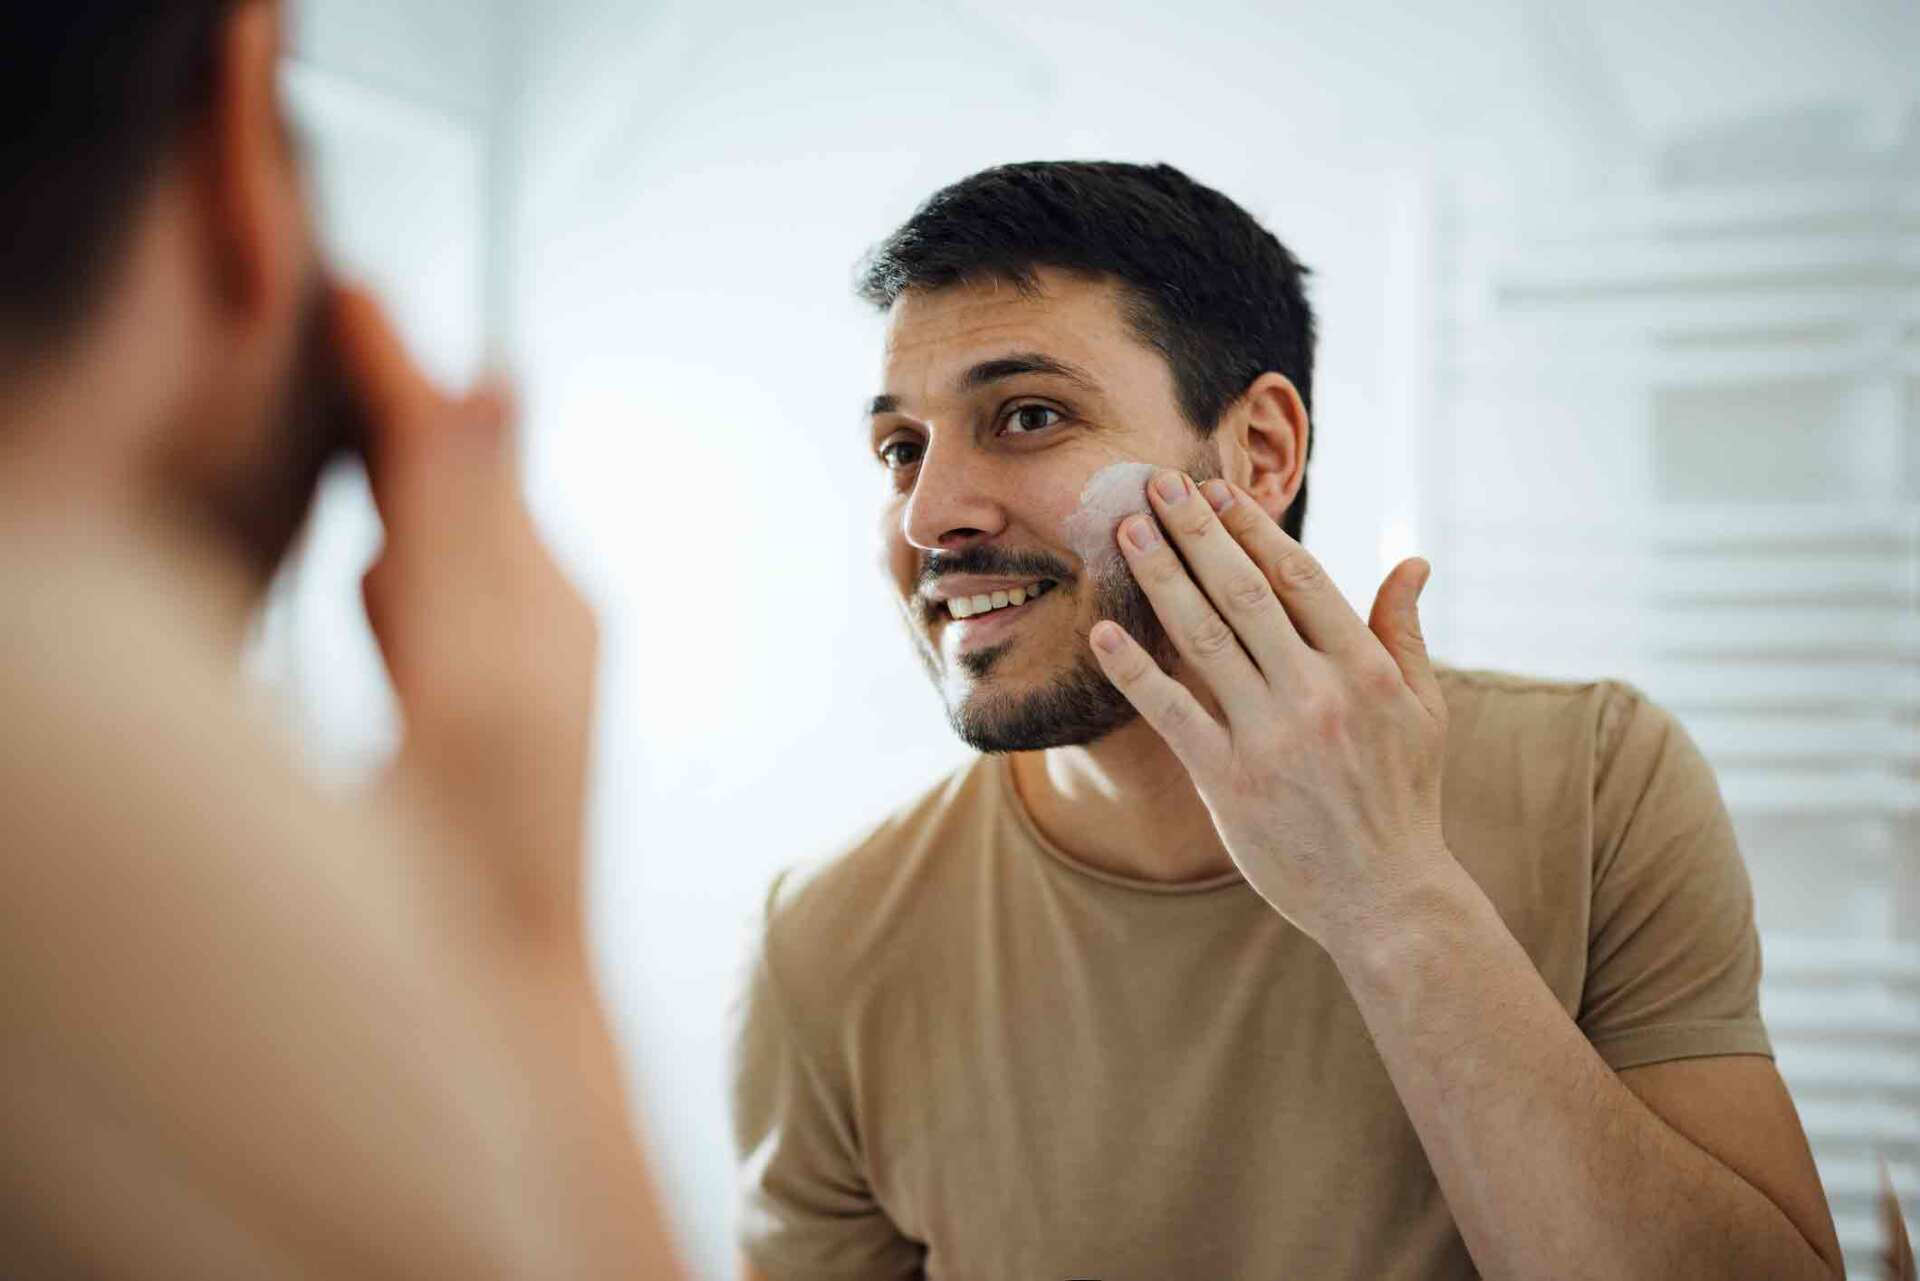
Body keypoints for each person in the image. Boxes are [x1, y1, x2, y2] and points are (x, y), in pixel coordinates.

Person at [729, 161, 1846, 1280]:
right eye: (901, 450)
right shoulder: (825, 946)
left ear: (1260, 452)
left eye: (1028, 416)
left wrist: (1391, 896)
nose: (928, 516)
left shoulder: (1599, 783)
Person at [0, 4, 684, 1275]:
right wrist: (518, 923)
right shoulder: (104, 776)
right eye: (897, 448)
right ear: (243, 105)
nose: (929, 513)